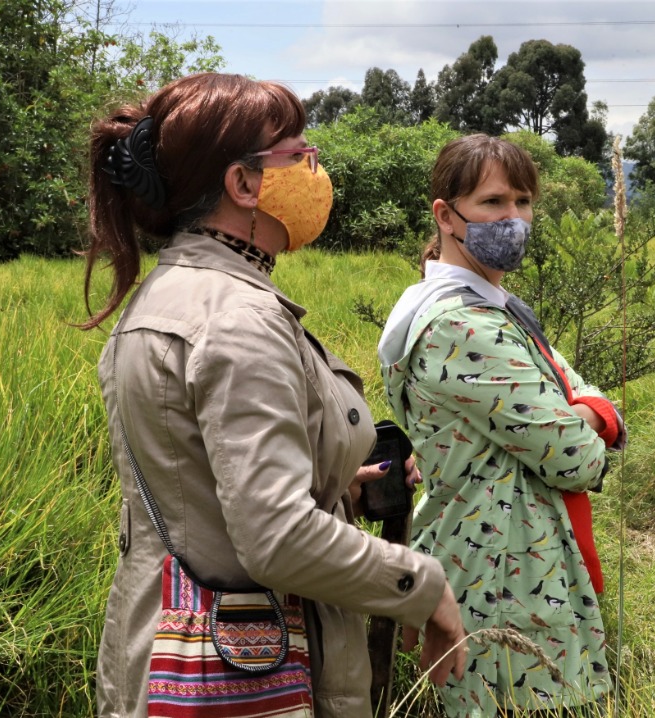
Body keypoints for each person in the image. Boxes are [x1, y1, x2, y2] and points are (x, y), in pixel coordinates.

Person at [81, 72, 465, 716]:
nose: (316, 171)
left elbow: (197, 482)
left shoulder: (173, 290)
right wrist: (422, 586)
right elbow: (276, 538)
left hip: (158, 644)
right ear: (243, 183)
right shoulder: (238, 318)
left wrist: (331, 483)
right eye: (299, 156)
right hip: (244, 669)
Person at [378, 133, 625, 716]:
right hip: (500, 572)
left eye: (521, 201)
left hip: (510, 552)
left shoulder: (494, 306)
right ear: (447, 215)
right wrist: (588, 416)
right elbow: (578, 459)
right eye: (492, 203)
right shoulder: (463, 325)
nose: (511, 218)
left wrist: (584, 409)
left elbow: (580, 392)